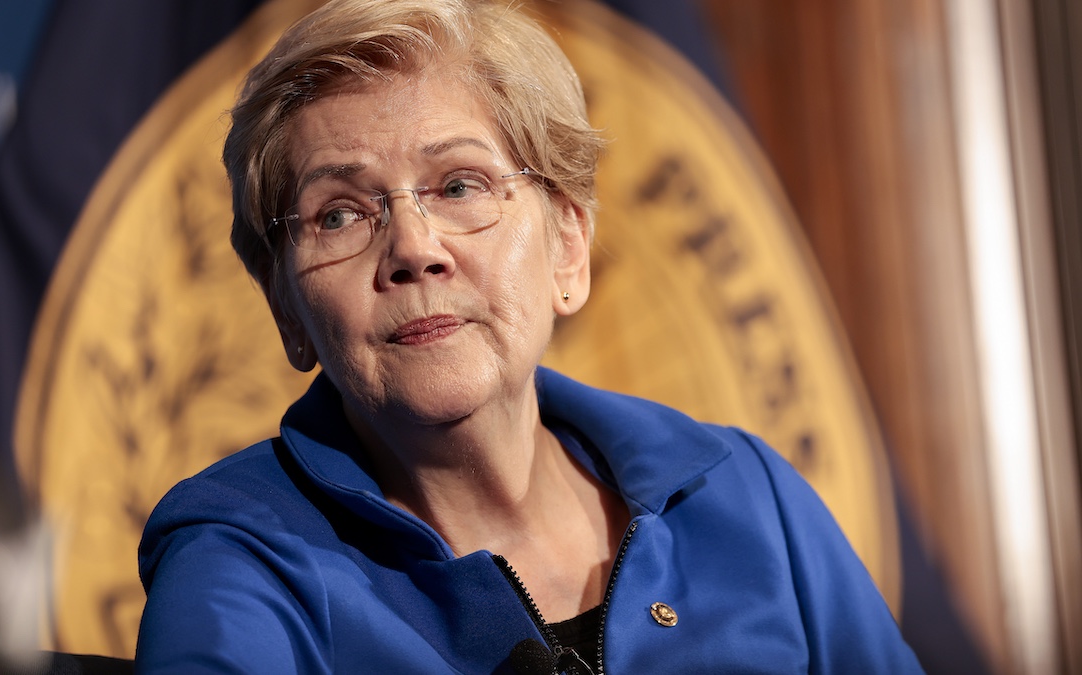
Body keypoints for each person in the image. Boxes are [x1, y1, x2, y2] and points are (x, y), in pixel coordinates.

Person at [135, 0, 924, 672]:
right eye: (339, 213)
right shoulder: (240, 562)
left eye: (460, 185)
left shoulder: (745, 497)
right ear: (285, 307)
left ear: (568, 247)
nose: (413, 247)